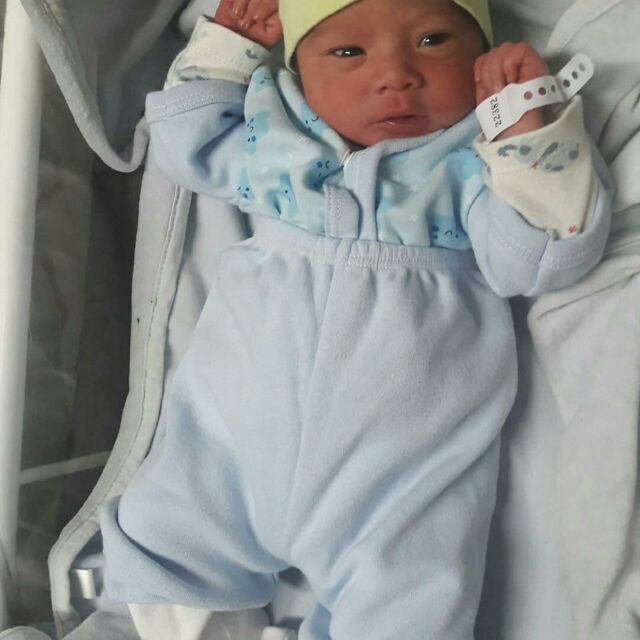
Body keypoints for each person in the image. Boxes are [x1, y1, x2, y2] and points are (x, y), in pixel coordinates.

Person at [100, 0, 612, 638]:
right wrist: (229, 46)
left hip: (398, 485)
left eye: (433, 40)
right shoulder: (274, 139)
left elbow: (539, 261)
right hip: (230, 451)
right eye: (348, 52)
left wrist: (527, 135)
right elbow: (186, 144)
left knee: (412, 603)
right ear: (298, 70)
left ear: (481, 54)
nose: (396, 75)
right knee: (163, 546)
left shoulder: (477, 166)